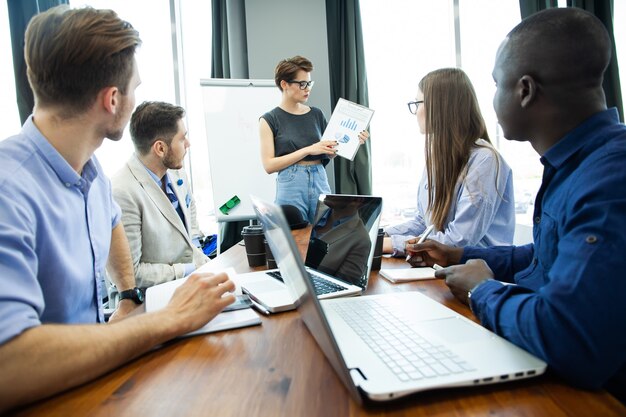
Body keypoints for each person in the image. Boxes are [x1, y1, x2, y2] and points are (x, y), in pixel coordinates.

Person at [0, 6, 234, 413]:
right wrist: (168, 318)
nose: (135, 98)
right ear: (112, 99)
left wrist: (127, 295)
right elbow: (9, 363)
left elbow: (109, 225)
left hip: (91, 383)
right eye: (134, 88)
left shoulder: (89, 169)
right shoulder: (8, 189)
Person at [406, 8, 626, 403]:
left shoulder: (610, 179)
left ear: (524, 90)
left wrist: (482, 291)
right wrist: (463, 253)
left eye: (495, 84)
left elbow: (572, 340)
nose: (490, 100)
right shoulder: (574, 164)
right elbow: (546, 256)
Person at [383, 68, 515, 258]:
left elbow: (459, 241)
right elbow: (424, 222)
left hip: (478, 275)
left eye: (418, 103)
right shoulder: (438, 160)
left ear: (438, 107)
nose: (416, 111)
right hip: (444, 269)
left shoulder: (485, 160)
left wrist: (389, 244)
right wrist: (381, 234)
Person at [111, 101, 210, 289]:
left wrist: (208, 266)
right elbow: (131, 274)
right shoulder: (122, 192)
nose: (188, 144)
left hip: (190, 284)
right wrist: (188, 269)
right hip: (151, 300)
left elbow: (190, 230)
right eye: (182, 139)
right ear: (160, 148)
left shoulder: (177, 173)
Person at [259, 55, 369, 223]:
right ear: (284, 84)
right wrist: (309, 149)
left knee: (325, 235)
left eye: (309, 83)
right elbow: (269, 165)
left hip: (319, 177)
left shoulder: (316, 114)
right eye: (302, 84)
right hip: (291, 182)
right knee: (293, 237)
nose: (307, 88)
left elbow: (328, 153)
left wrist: (354, 142)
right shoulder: (269, 119)